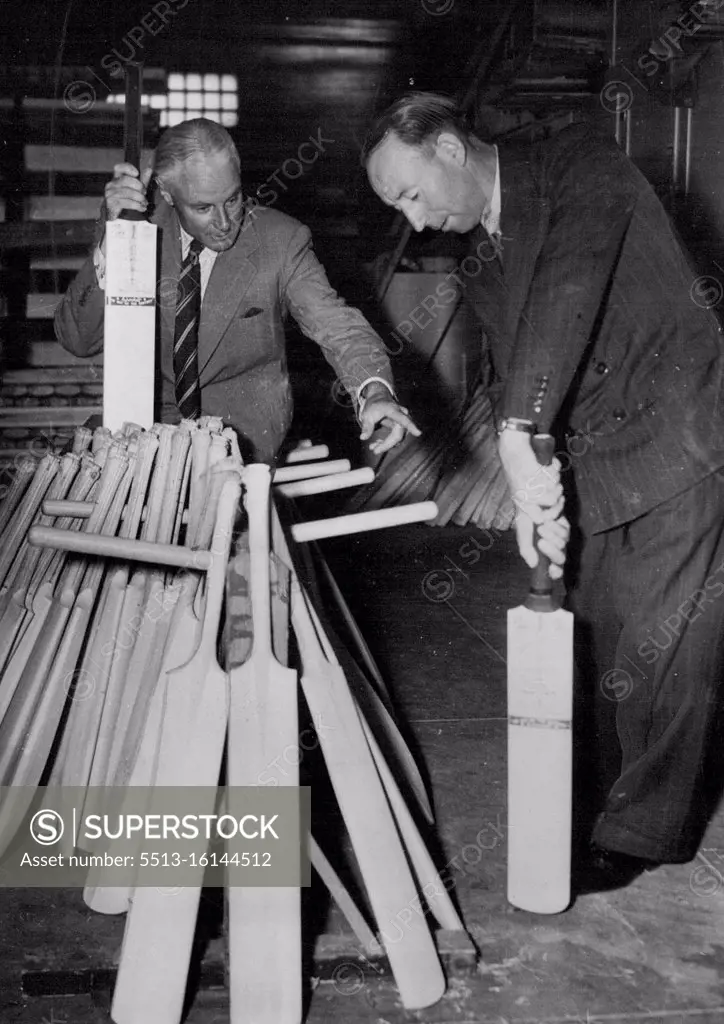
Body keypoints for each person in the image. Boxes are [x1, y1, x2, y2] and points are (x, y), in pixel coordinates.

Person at [362, 92, 724, 896]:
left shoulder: (581, 165)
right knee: (595, 630)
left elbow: (567, 290)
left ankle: (643, 832)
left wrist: (519, 439)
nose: (415, 222)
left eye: (413, 193)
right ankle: (596, 801)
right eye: (398, 208)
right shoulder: (477, 257)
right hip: (597, 449)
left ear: (452, 148)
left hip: (682, 431)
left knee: (664, 643)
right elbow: (513, 365)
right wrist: (538, 493)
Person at [55, 117, 420, 463]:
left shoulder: (281, 240)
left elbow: (338, 325)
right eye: (203, 208)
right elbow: (78, 341)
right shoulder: (135, 229)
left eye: (232, 199)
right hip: (147, 431)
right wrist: (112, 241)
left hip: (242, 437)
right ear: (166, 193)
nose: (226, 223)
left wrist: (374, 391)